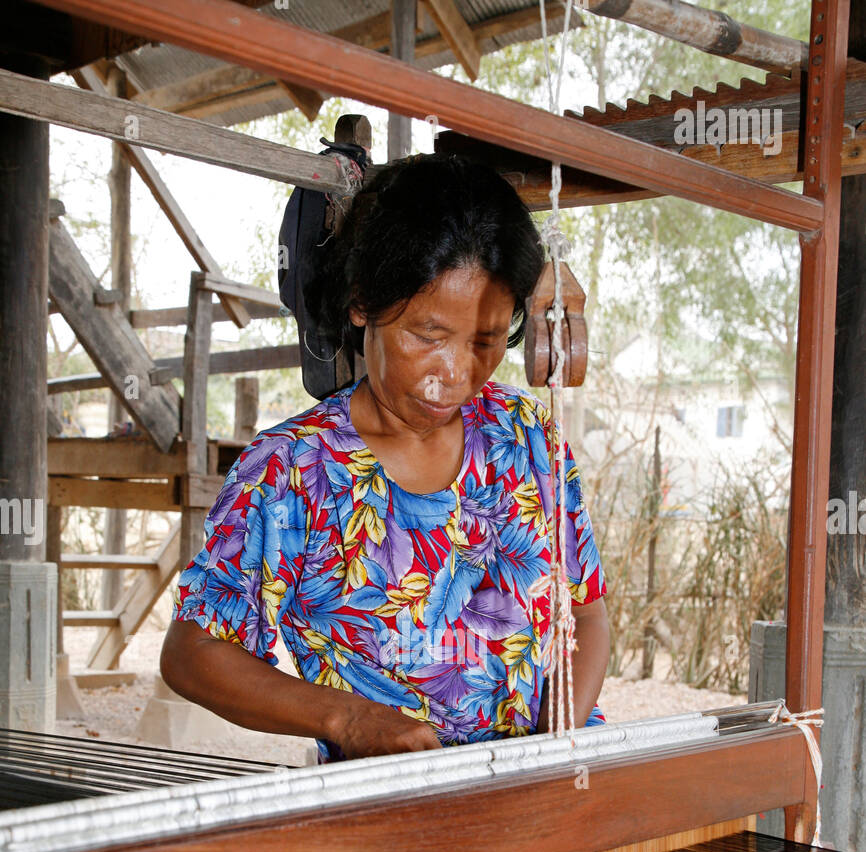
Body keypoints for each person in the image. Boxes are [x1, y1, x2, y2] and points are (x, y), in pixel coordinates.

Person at [161, 152, 610, 765]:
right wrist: (344, 716)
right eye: (427, 336)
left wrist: (558, 742)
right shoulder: (293, 473)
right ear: (363, 303)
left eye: (484, 342)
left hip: (547, 787)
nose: (455, 374)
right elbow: (192, 654)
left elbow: (584, 614)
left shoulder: (527, 438)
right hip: (389, 809)